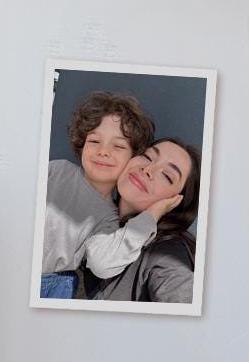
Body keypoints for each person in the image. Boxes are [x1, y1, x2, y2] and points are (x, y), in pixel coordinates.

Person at [40, 93, 181, 299]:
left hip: (49, 284)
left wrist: (152, 214)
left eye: (118, 146)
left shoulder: (109, 220)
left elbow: (102, 264)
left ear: (134, 158)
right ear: (82, 144)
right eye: (95, 141)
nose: (104, 151)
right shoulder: (57, 169)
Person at [85, 138, 201, 305]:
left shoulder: (167, 254)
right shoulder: (93, 215)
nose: (148, 169)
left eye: (167, 175)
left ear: (176, 202)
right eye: (147, 157)